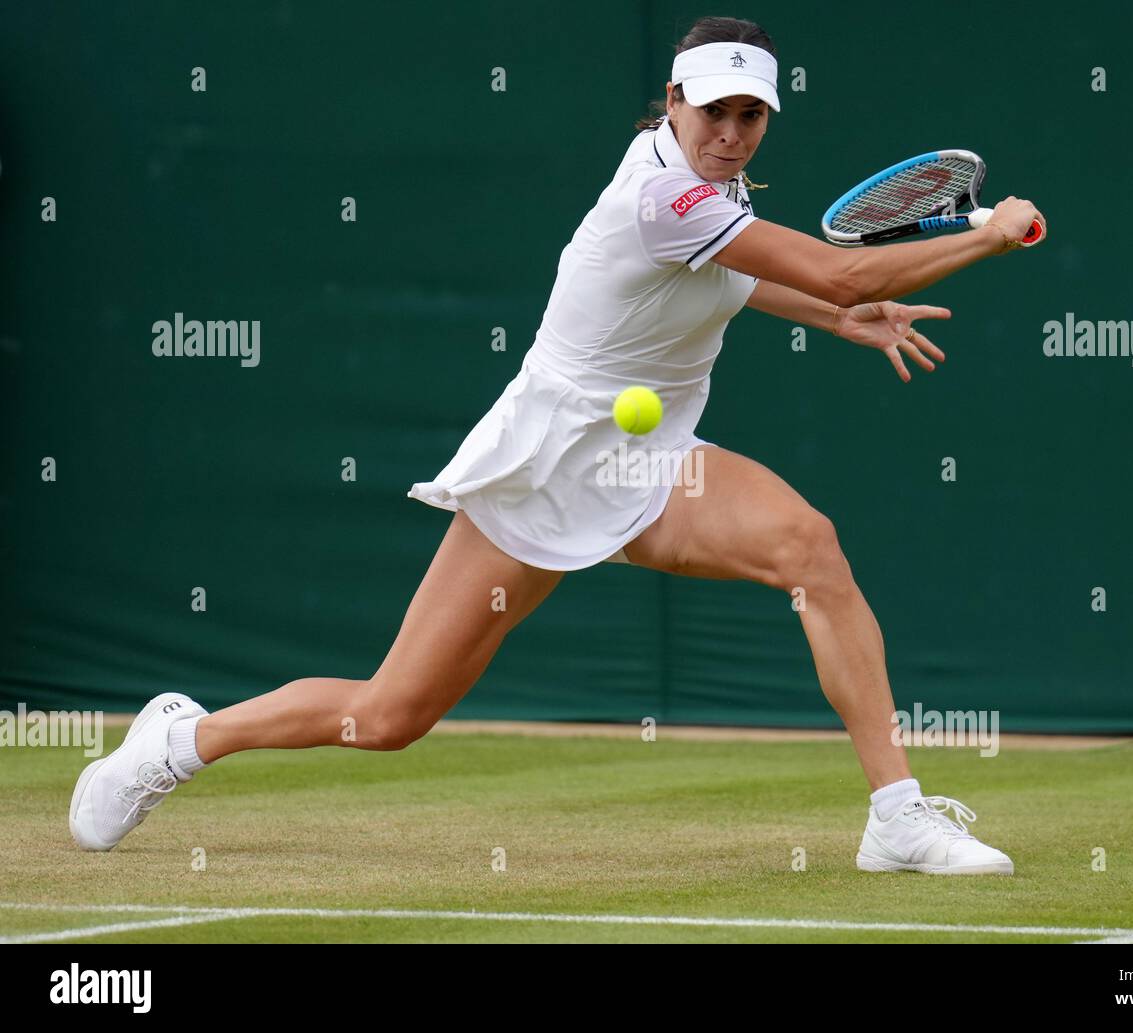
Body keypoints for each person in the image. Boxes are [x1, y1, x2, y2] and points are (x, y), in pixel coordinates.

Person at [71, 16, 1044, 876]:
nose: (729, 133)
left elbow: (745, 283)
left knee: (809, 549)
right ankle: (180, 740)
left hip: (650, 460)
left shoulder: (711, 191)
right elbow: (832, 273)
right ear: (672, 101)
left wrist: (842, 321)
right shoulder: (670, 200)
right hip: (546, 465)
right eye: (712, 111)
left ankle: (896, 818)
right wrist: (985, 238)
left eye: (749, 116)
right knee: (390, 715)